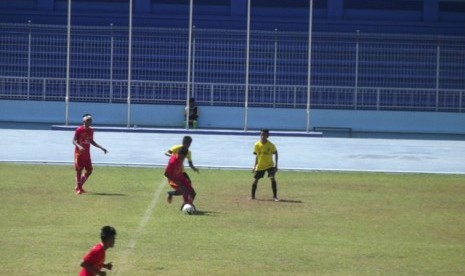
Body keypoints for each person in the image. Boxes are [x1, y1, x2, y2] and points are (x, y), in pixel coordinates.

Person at [73, 114, 108, 195]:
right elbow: (74, 141)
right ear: (84, 121)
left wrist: (101, 147)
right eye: (88, 120)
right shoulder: (79, 130)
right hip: (79, 153)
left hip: (87, 154)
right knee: (79, 170)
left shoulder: (91, 130)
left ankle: (79, 185)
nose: (90, 122)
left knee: (89, 170)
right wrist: (79, 146)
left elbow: (91, 141)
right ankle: (79, 189)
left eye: (90, 120)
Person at [164, 146, 196, 211]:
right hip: (173, 179)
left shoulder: (181, 158)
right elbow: (166, 174)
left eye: (183, 158)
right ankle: (185, 206)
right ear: (178, 153)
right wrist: (176, 181)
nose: (182, 159)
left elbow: (180, 169)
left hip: (181, 177)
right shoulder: (172, 162)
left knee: (193, 193)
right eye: (181, 157)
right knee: (184, 191)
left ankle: (187, 204)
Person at [250, 129, 279, 201]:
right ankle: (252, 196)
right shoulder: (257, 145)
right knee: (255, 180)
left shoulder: (271, 145)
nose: (263, 136)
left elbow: (276, 153)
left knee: (272, 178)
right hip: (260, 166)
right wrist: (254, 167)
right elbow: (257, 156)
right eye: (261, 135)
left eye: (264, 135)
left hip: (269, 165)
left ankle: (275, 197)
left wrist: (276, 165)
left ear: (268, 136)